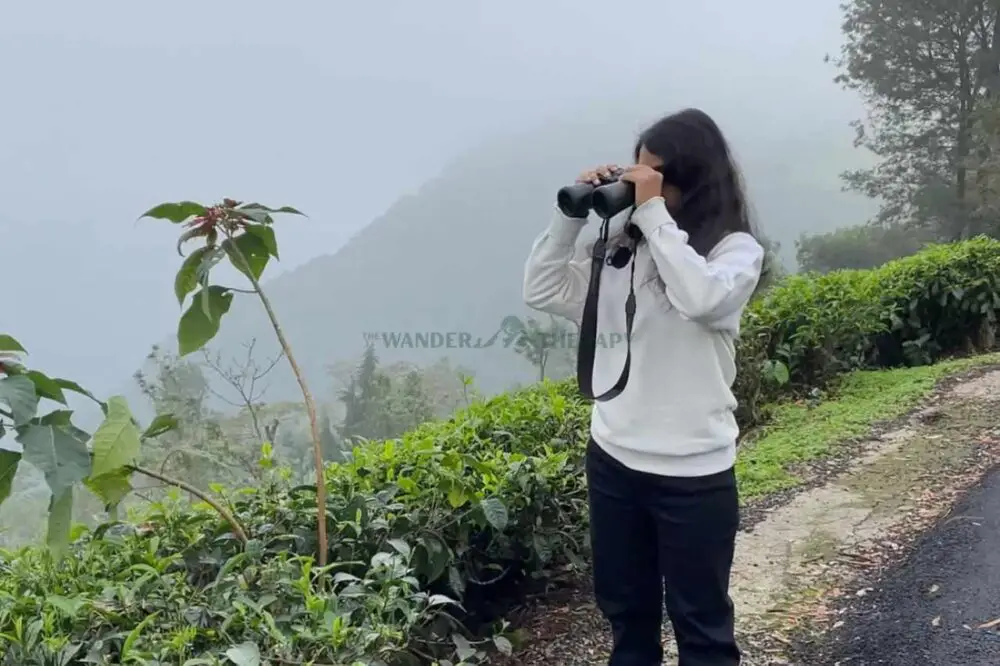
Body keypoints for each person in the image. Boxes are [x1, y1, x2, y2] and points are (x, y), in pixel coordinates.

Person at [522, 108, 767, 666]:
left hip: (693, 473)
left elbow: (701, 301)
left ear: (692, 177)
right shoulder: (619, 247)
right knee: (626, 616)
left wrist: (655, 216)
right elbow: (542, 289)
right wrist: (573, 215)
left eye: (655, 174)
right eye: (637, 172)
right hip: (614, 461)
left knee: (701, 626)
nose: (639, 184)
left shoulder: (734, 252)